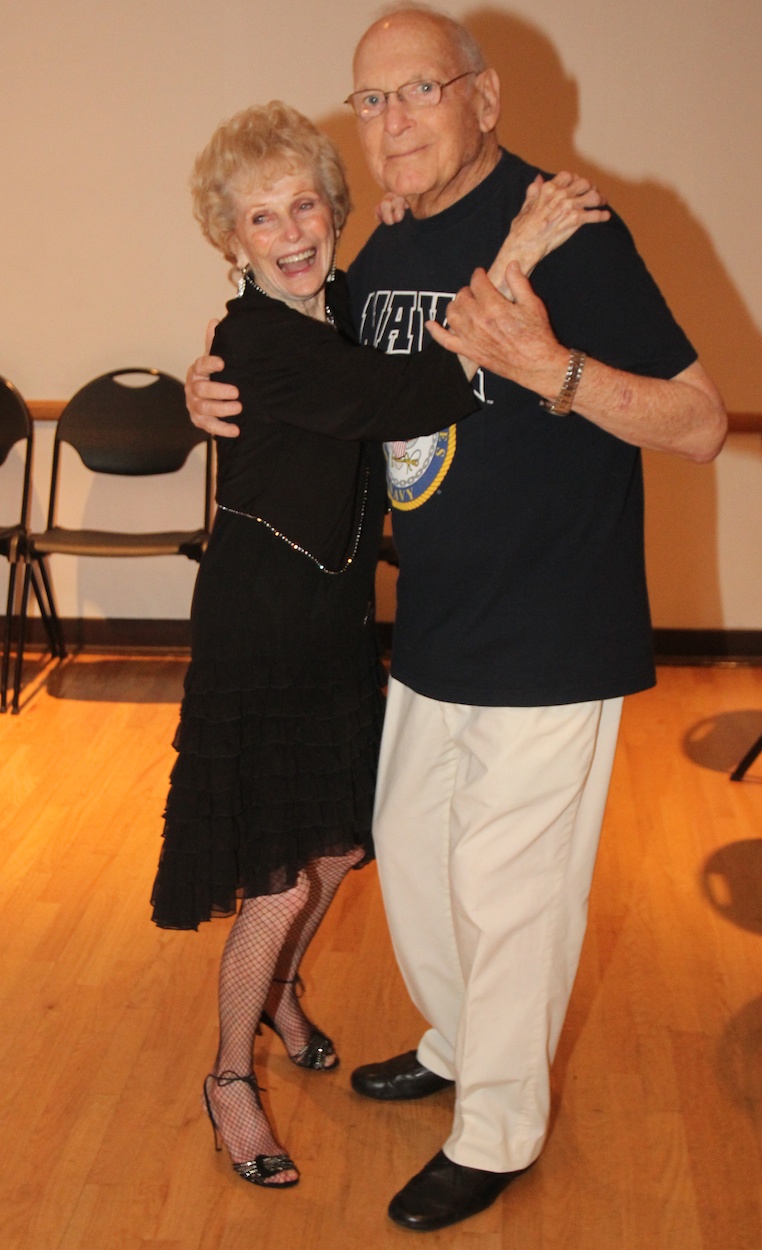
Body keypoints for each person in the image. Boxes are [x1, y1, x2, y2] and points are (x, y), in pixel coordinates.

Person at [185, 5, 727, 1230]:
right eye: (370, 100)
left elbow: (696, 423)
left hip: (553, 626)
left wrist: (559, 374)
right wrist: (206, 378)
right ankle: (460, 1038)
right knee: (421, 871)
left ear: (482, 98)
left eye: (418, 91)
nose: (392, 122)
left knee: (509, 889)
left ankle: (497, 1127)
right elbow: (318, 374)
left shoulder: (571, 227)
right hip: (430, 623)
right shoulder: (383, 245)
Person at [153, 96, 603, 1194]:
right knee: (274, 881)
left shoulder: (335, 301)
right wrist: (520, 250)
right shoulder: (259, 339)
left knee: (340, 850)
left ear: (334, 210)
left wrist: (411, 215)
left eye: (306, 203)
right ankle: (227, 1074)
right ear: (231, 240)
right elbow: (418, 385)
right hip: (264, 630)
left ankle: (284, 989)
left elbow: (384, 304)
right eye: (263, 218)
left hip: (335, 625)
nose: (292, 231)